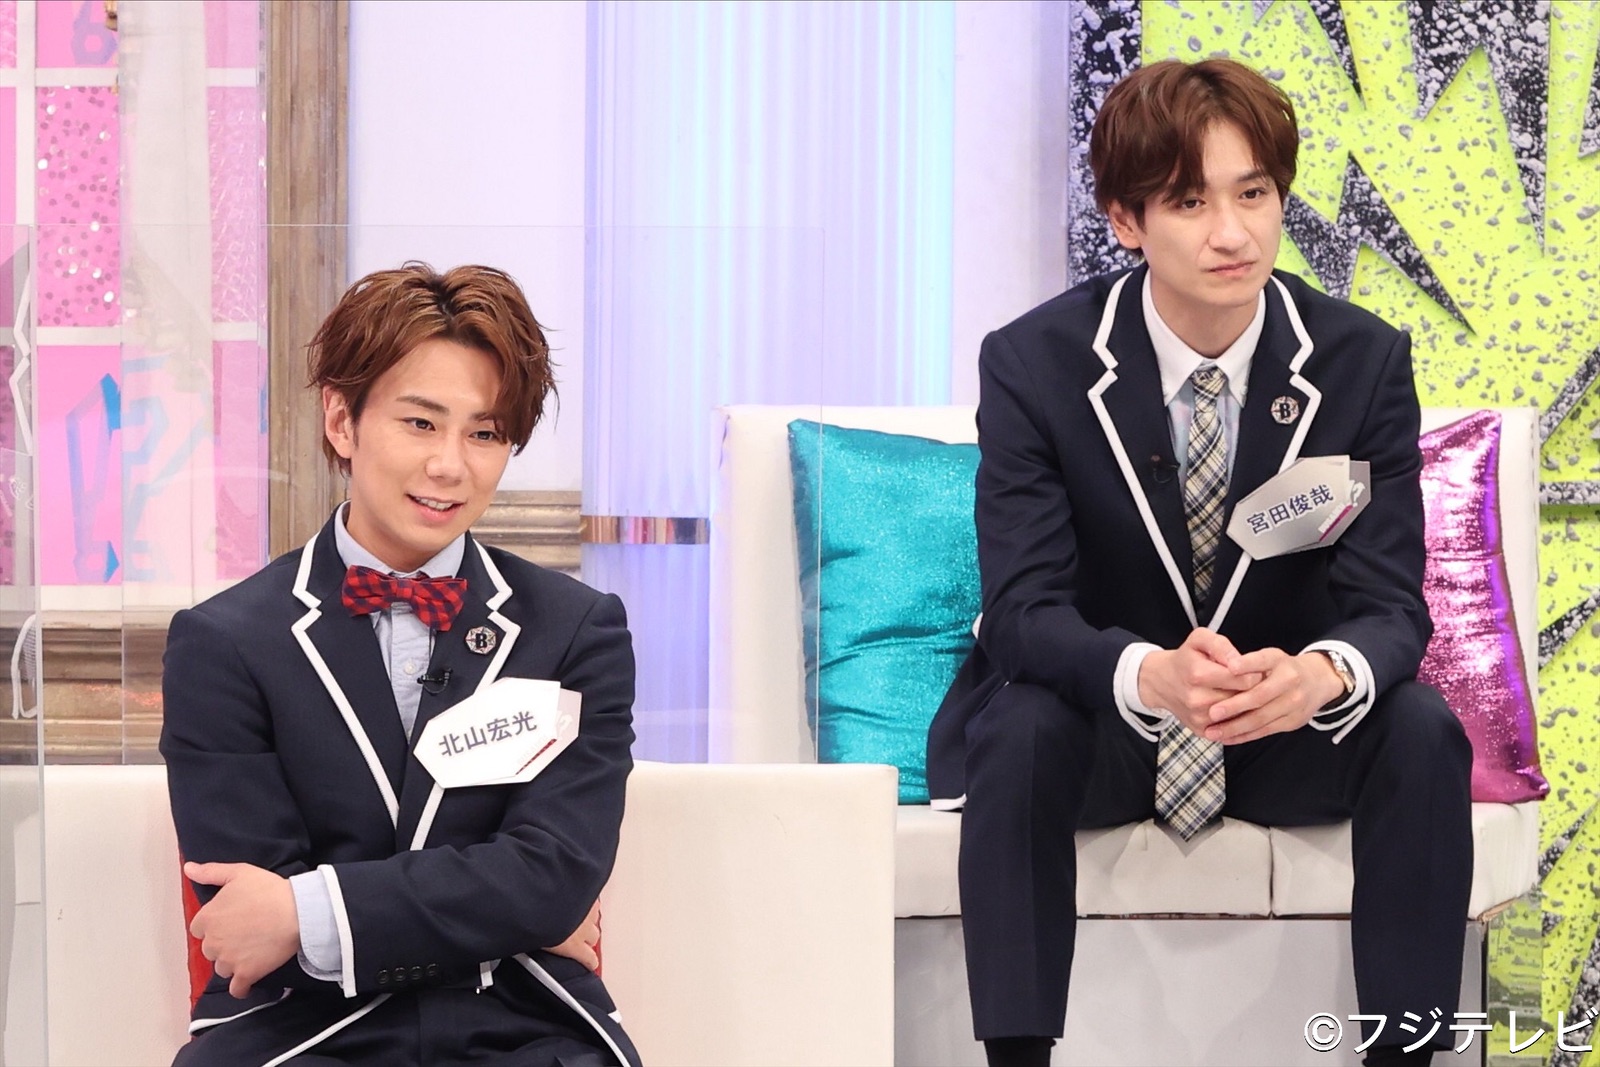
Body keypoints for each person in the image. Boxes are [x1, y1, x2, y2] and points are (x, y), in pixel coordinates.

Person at [926, 58, 1472, 1067]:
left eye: (1253, 194)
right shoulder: (1035, 361)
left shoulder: (1359, 360)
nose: (1233, 233)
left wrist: (1317, 675)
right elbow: (1023, 608)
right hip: (1112, 724)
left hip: (1282, 729)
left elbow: (1391, 604)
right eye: (1189, 201)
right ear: (1125, 220)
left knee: (1421, 728)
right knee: (1019, 728)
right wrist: (1151, 674)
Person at [161, 263, 640, 1067]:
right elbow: (245, 920)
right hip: (304, 1031)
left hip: (523, 1027)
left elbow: (556, 873)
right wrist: (512, 918)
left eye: (484, 433)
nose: (450, 464)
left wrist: (307, 910)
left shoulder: (575, 630)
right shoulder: (223, 641)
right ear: (341, 420)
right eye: (420, 422)